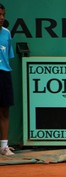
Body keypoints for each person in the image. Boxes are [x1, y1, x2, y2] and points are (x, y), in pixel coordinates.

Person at [0, 3, 15, 156]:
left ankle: (4, 146)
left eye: (3, 14)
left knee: (4, 110)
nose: (2, 17)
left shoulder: (7, 33)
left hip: (4, 74)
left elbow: (7, 57)